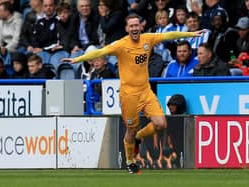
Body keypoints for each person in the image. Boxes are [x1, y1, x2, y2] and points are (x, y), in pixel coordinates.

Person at [62, 13, 203, 174]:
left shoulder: (147, 39)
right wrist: (78, 59)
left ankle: (139, 137)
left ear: (140, 27)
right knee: (131, 129)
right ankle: (130, 161)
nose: (135, 28)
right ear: (127, 28)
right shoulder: (120, 45)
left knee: (161, 124)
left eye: (137, 25)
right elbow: (100, 52)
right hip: (129, 95)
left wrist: (191, 34)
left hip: (146, 91)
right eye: (131, 26)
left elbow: (168, 35)